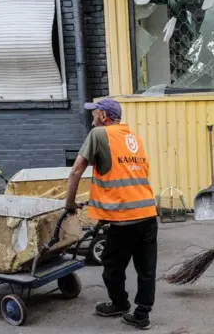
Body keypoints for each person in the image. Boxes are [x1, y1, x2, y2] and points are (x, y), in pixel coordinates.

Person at [64, 98, 158, 330]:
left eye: (94, 113)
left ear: (104, 116)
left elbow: (76, 169)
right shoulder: (133, 138)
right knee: (146, 269)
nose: (92, 117)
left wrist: (69, 203)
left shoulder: (99, 135)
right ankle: (142, 315)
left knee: (111, 264)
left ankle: (120, 303)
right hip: (147, 212)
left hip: (125, 218)